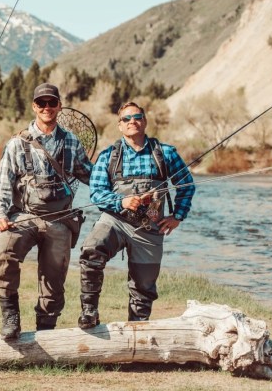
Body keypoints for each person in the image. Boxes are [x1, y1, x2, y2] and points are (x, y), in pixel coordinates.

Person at [78, 102, 195, 329]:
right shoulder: (108, 156)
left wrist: (177, 217)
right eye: (126, 119)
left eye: (137, 117)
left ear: (145, 121)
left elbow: (187, 186)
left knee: (144, 285)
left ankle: (138, 330)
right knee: (92, 249)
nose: (132, 121)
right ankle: (89, 311)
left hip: (149, 227)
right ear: (120, 126)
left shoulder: (166, 153)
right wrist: (121, 201)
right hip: (115, 220)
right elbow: (97, 193)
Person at [0, 83, 93, 340]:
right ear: (34, 106)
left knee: (54, 279)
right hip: (23, 216)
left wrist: (121, 189)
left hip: (60, 219)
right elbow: (2, 183)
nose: (47, 107)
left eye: (52, 102)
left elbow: (92, 176)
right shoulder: (16, 143)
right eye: (41, 103)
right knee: (5, 251)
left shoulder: (72, 141)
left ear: (59, 105)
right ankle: (10, 318)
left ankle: (45, 331)